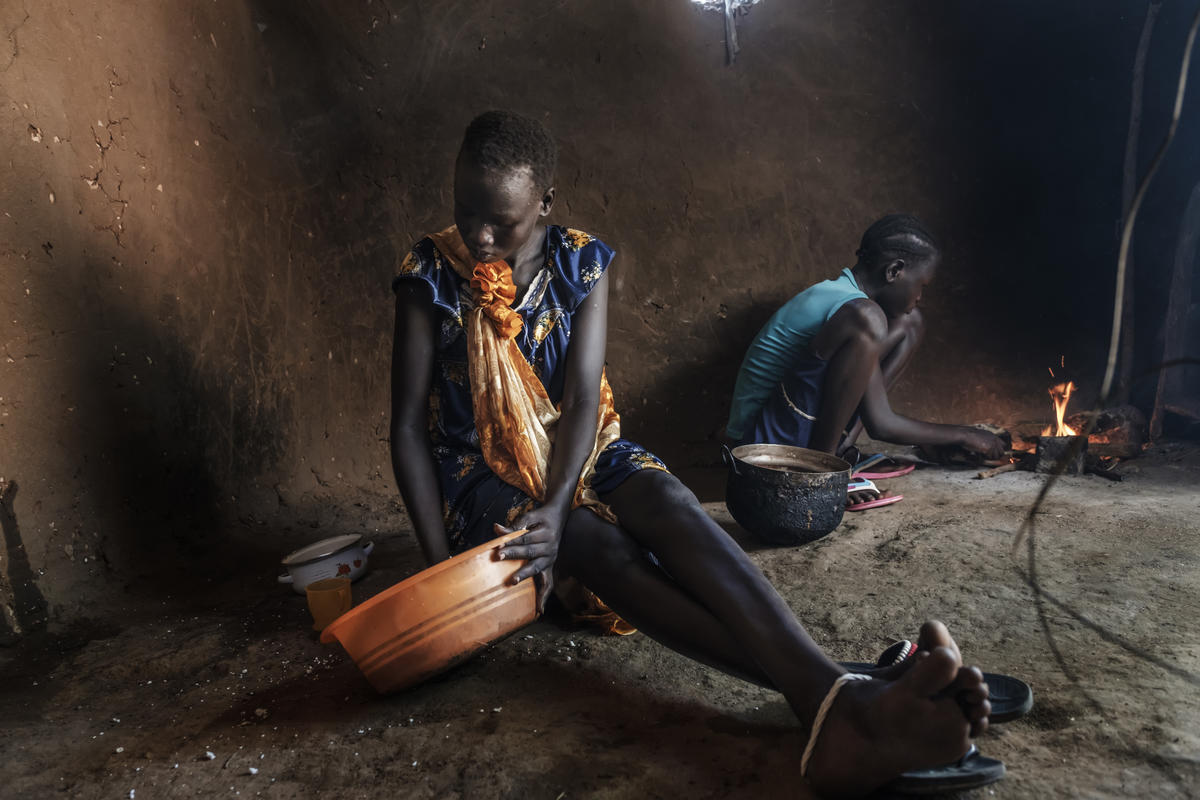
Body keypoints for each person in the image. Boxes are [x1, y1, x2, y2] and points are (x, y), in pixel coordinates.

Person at [390, 110, 993, 796]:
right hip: (480, 475)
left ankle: (842, 702)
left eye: (503, 220)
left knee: (670, 501)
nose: (480, 235)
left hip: (577, 446)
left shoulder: (580, 260)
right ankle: (849, 693)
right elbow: (409, 427)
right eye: (466, 211)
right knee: (595, 542)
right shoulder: (430, 274)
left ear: (547, 205)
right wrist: (439, 567)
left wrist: (557, 501)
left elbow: (584, 400)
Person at [726, 216, 1007, 465]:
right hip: (759, 445)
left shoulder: (851, 304)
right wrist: (963, 434)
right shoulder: (859, 314)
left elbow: (875, 413)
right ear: (894, 271)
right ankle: (821, 472)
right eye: (922, 285)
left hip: (788, 427)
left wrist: (936, 438)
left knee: (911, 321)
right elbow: (881, 424)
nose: (920, 296)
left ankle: (838, 449)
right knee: (872, 318)